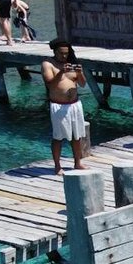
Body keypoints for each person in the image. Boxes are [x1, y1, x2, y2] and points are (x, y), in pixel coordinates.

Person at [42, 39, 87, 174]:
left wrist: (80, 73)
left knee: (77, 135)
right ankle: (57, 165)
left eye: (66, 53)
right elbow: (50, 84)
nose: (64, 56)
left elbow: (83, 84)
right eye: (61, 53)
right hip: (58, 105)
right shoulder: (48, 64)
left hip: (74, 104)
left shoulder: (73, 63)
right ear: (55, 52)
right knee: (58, 137)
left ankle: (77, 162)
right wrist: (61, 72)